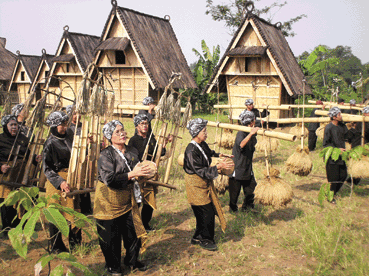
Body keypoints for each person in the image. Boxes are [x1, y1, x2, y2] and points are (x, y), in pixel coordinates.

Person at [94, 120, 150, 274]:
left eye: (123, 130)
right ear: (109, 137)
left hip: (127, 198)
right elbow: (109, 179)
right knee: (111, 236)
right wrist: (132, 174)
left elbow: (138, 168)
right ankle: (113, 266)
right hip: (108, 201)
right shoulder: (106, 155)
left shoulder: (131, 151)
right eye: (117, 132)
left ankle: (132, 260)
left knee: (133, 232)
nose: (122, 133)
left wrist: (145, 171)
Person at [43, 111, 91, 252]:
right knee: (56, 214)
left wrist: (87, 145)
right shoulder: (50, 143)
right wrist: (60, 182)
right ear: (53, 126)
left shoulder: (70, 136)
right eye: (60, 125)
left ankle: (76, 244)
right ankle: (56, 246)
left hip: (73, 178)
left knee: (76, 211)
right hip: (56, 182)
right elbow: (47, 169)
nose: (64, 127)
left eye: (65, 124)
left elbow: (77, 152)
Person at [183, 118, 233, 251]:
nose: (206, 133)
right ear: (196, 132)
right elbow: (200, 170)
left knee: (203, 213)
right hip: (195, 186)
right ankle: (206, 240)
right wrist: (218, 167)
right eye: (204, 131)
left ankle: (198, 236)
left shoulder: (201, 144)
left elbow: (208, 153)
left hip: (203, 183)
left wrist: (219, 155)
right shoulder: (190, 150)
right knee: (207, 213)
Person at [128, 114, 171, 231]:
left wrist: (165, 143)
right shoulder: (133, 141)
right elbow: (131, 157)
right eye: (142, 123)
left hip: (151, 175)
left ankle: (145, 224)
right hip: (139, 175)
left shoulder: (151, 139)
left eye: (146, 123)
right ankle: (135, 225)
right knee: (137, 201)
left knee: (149, 201)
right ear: (137, 126)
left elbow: (159, 153)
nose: (145, 126)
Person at [0, 115, 41, 234]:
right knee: (7, 200)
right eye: (11, 125)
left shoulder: (22, 138)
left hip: (20, 173)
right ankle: (8, 228)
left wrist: (35, 158)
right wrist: (1, 167)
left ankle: (21, 224)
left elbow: (27, 154)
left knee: (21, 200)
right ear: (5, 126)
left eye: (15, 125)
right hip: (6, 175)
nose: (14, 127)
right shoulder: (1, 139)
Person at [229, 110, 259, 212]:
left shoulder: (250, 131)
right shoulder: (241, 133)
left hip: (247, 166)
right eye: (254, 120)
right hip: (238, 167)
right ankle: (233, 208)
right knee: (234, 192)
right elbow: (241, 144)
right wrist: (251, 134)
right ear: (251, 122)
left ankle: (247, 206)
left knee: (251, 187)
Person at [323, 107, 353, 203]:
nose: (341, 116)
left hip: (341, 156)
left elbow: (347, 137)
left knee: (343, 176)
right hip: (332, 157)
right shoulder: (328, 128)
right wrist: (336, 150)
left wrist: (353, 128)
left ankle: (333, 192)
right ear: (334, 117)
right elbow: (325, 144)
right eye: (339, 114)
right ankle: (330, 197)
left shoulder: (342, 126)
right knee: (333, 178)